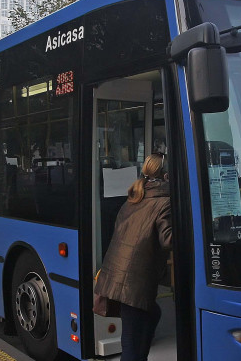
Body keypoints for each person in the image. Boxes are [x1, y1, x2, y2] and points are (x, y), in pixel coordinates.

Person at [93, 153, 172, 361]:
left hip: (119, 275)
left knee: (148, 319)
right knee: (132, 347)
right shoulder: (164, 201)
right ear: (165, 177)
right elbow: (169, 240)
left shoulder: (136, 197)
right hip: (134, 282)